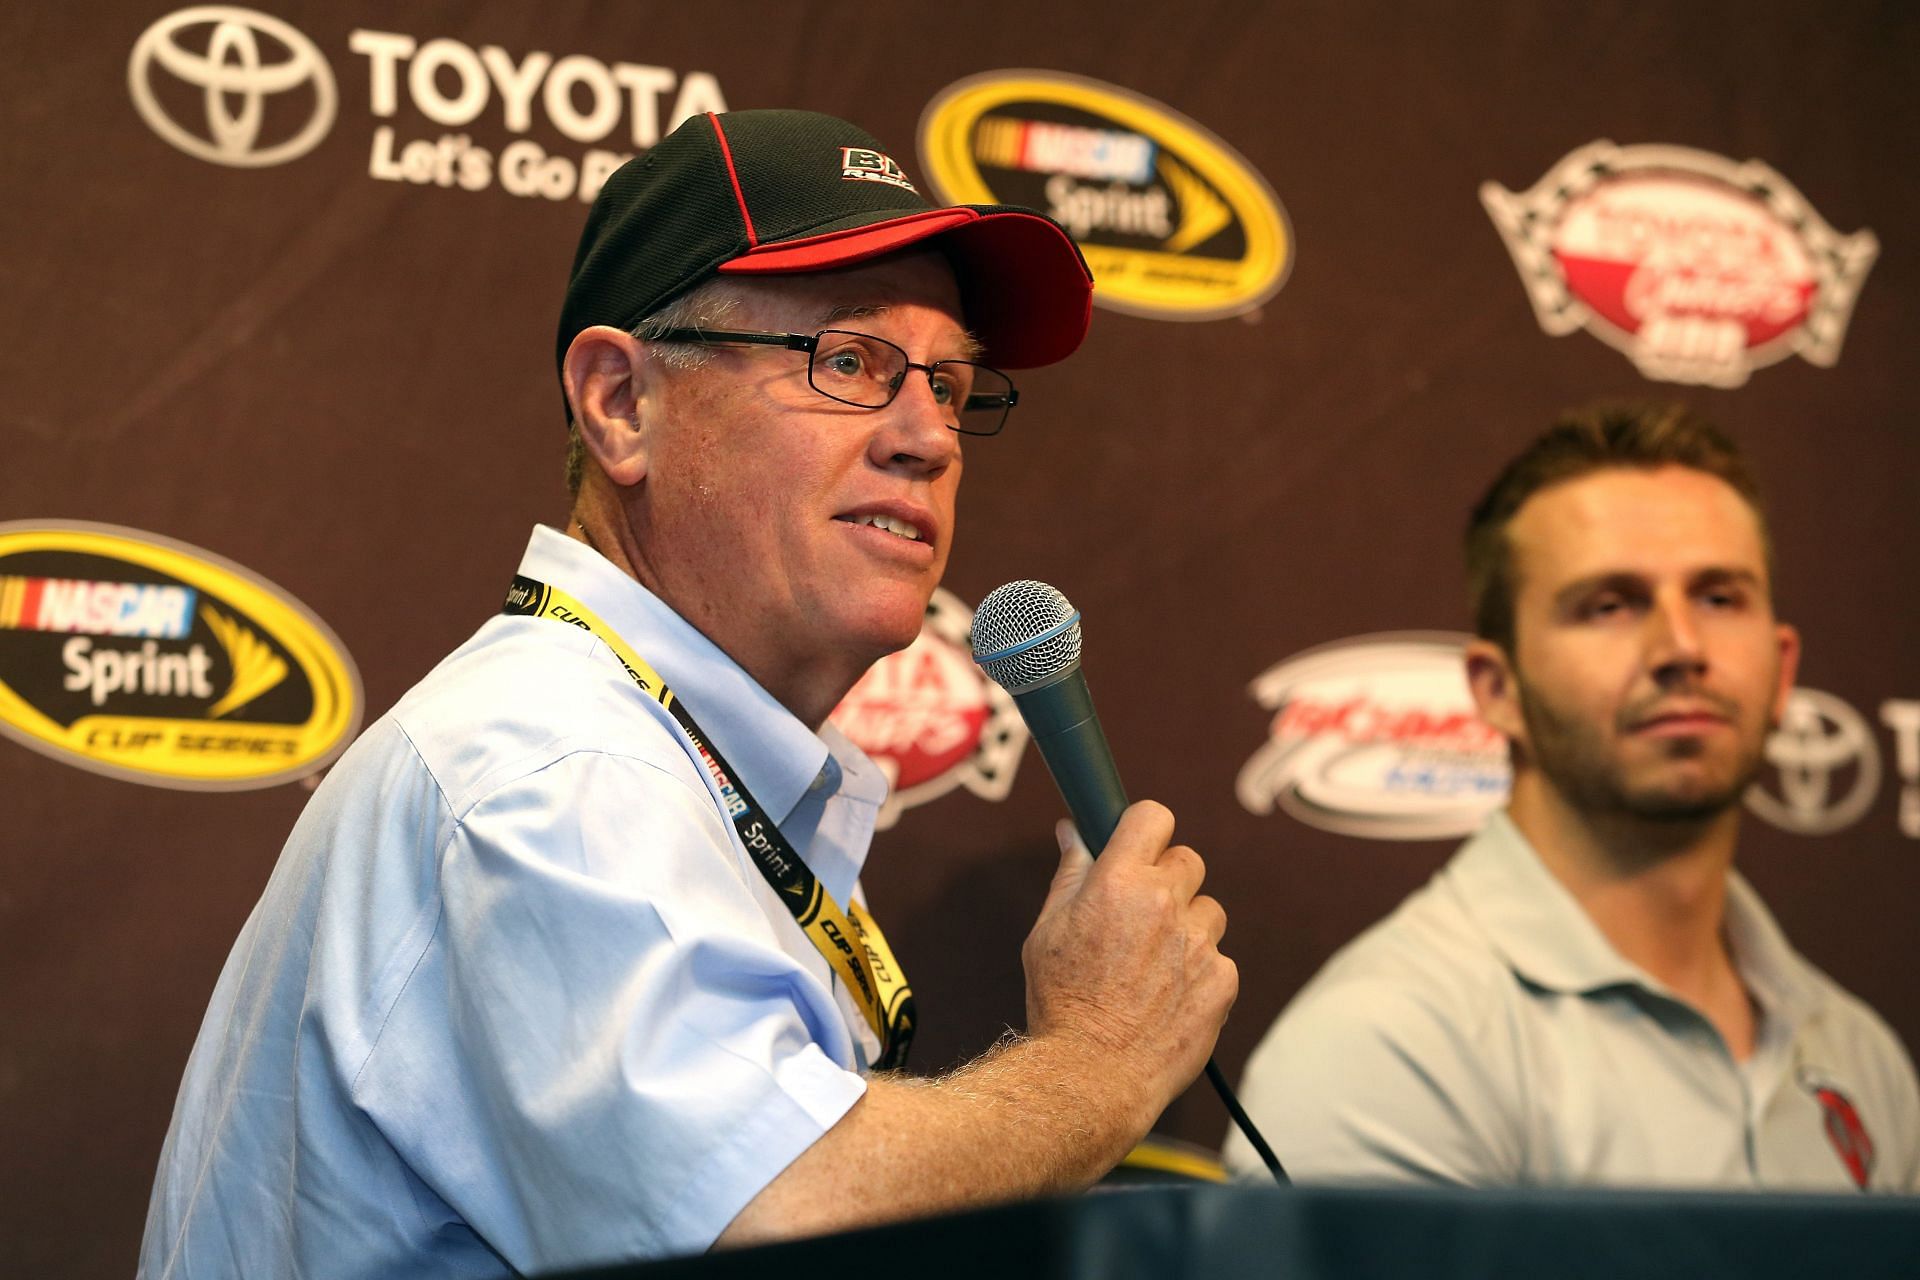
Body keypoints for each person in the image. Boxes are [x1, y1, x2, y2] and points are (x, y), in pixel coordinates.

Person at [140, 109, 1236, 1278]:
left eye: (954, 382)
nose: (932, 435)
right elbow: (776, 1225)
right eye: (852, 362)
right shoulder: (553, 765)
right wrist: (1100, 1058)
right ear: (620, 402)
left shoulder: (660, 755)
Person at [1225, 404, 1918, 1190]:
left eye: (1720, 598)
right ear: (1499, 689)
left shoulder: (1862, 1057)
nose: (1682, 649)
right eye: (1610, 604)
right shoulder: (1387, 1046)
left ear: (1783, 667)